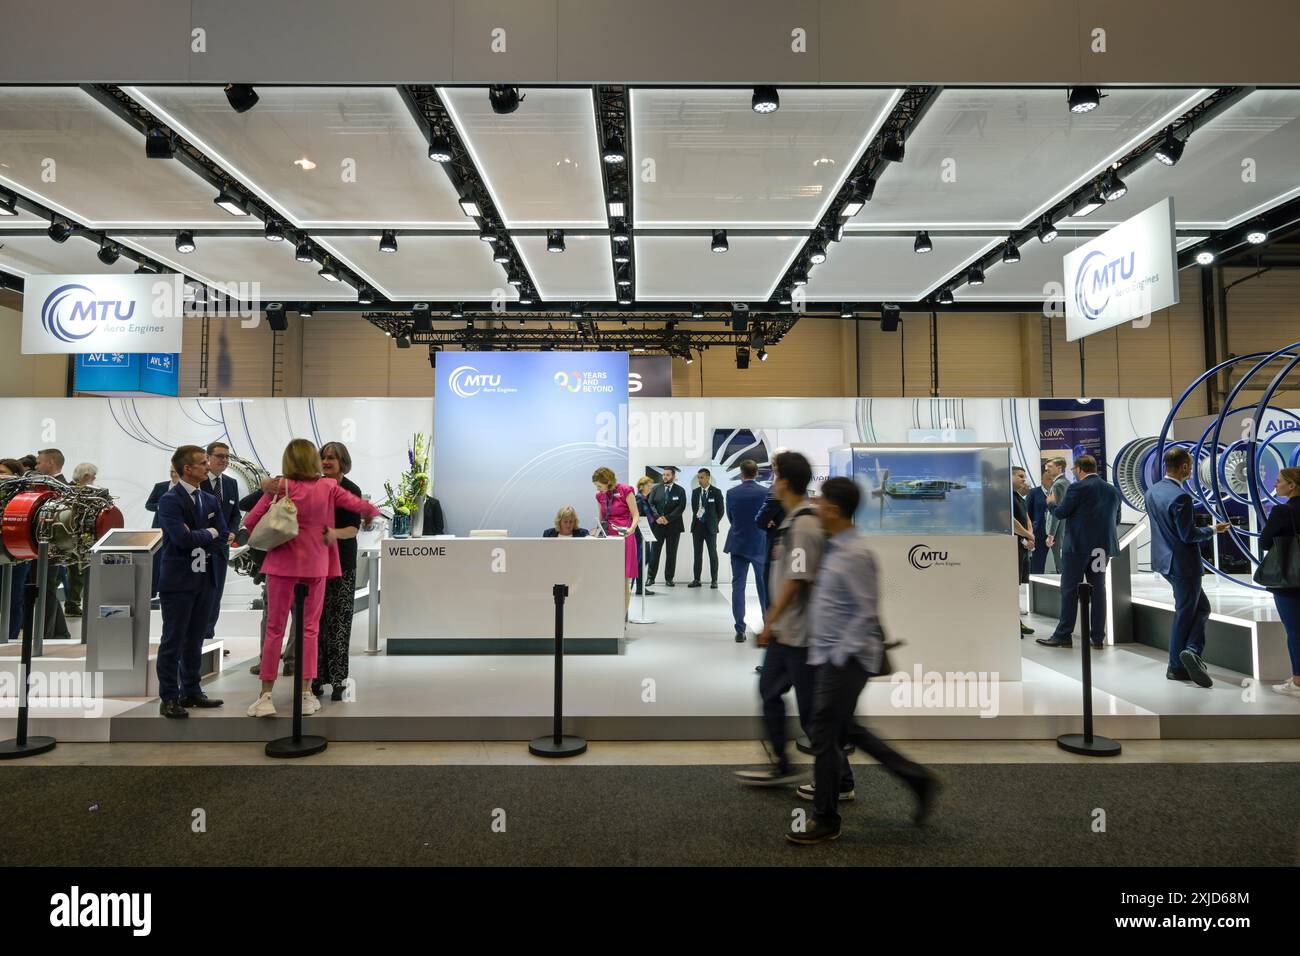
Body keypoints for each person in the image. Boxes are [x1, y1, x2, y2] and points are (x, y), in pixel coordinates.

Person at [787, 476, 939, 845]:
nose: (815, 507)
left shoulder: (855, 554)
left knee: (824, 733)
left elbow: (864, 613)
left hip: (846, 660)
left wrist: (836, 658)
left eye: (820, 503)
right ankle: (918, 779)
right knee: (845, 730)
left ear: (834, 510)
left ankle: (825, 819)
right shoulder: (836, 548)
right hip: (831, 657)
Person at [242, 439, 380, 718]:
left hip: (281, 566)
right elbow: (362, 507)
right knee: (310, 631)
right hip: (316, 568)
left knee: (274, 630)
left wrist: (270, 492)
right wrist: (369, 514)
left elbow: (250, 521)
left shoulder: (281, 488)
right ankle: (306, 694)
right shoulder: (329, 487)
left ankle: (265, 696)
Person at [736, 452, 824, 787]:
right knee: (770, 693)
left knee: (811, 713)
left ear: (784, 482)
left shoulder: (803, 524)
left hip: (801, 636)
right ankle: (783, 766)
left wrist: (769, 622)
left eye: (774, 475)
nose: (771, 481)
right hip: (785, 635)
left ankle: (840, 781)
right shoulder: (789, 520)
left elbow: (796, 580)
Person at [154, 444, 229, 718]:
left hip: (205, 579)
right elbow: (181, 539)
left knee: (196, 637)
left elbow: (222, 535)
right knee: (173, 638)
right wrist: (207, 533)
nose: (208, 467)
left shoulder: (210, 500)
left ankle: (192, 690)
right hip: (178, 581)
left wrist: (205, 533)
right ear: (188, 468)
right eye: (202, 463)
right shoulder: (170, 500)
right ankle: (169, 697)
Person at [1146, 447, 1230, 686]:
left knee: (1201, 608)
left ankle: (1191, 650)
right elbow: (1188, 535)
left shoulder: (1154, 491)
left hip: (1165, 561)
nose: (1192, 470)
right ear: (1183, 466)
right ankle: (1176, 665)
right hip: (1183, 564)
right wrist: (1213, 529)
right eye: (1190, 466)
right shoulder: (1181, 497)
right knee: (1186, 612)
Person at [1036, 455, 1122, 649]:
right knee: (1098, 590)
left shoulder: (1077, 488)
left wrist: (1050, 503)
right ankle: (1098, 637)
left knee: (1069, 589)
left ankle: (1063, 635)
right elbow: (1116, 519)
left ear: (1081, 469)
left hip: (1077, 549)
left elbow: (1061, 513)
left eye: (1075, 470)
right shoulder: (1112, 490)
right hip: (1102, 548)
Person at [313, 441, 370, 702]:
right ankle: (314, 678)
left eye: (331, 458)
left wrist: (332, 534)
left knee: (339, 623)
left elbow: (353, 529)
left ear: (342, 462)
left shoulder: (351, 489)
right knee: (315, 624)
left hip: (342, 565)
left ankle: (338, 680)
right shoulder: (313, 486)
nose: (326, 462)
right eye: (323, 457)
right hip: (314, 564)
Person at [1260, 467, 1300, 698]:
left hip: (1290, 579)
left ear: (1292, 486)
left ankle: (1297, 681)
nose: (1276, 485)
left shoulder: (1282, 511)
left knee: (1295, 630)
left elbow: (1266, 541)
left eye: (1279, 481)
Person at [724, 459, 770, 642]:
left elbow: (731, 517)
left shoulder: (731, 493)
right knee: (763, 587)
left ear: (741, 473)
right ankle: (767, 624)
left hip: (739, 544)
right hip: (760, 544)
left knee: (738, 587)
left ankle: (740, 629)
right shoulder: (766, 492)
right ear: (756, 473)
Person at [28, 449, 71, 641]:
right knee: (47, 587)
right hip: (39, 545)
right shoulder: (47, 485)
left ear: (51, 463)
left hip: (51, 546)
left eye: (38, 463)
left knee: (47, 588)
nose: (35, 467)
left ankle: (44, 634)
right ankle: (60, 631)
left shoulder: (61, 488)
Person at [201, 442, 241, 641]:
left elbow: (235, 514)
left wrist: (232, 531)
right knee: (200, 594)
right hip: (200, 549)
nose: (224, 460)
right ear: (208, 457)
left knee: (216, 594)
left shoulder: (231, 484)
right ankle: (195, 639)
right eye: (220, 456)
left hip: (221, 549)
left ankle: (209, 637)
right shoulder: (198, 483)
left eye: (227, 457)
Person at [592, 467, 641, 610]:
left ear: (608, 481)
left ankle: (622, 615)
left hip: (624, 537)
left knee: (623, 579)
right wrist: (597, 531)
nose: (598, 489)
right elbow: (601, 518)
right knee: (607, 576)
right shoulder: (599, 496)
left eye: (600, 486)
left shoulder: (626, 490)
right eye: (596, 486)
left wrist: (631, 529)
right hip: (608, 538)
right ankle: (607, 613)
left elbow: (636, 514)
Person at [62, 462, 99, 618]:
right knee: (69, 573)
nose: (95, 478)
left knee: (78, 573)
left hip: (80, 539)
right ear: (86, 476)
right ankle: (72, 603)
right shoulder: (67, 491)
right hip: (66, 538)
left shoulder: (86, 492)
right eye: (93, 475)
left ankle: (72, 603)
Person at [0, 458, 31, 641]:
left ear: (15, 475)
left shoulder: (23, 497)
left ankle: (9, 638)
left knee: (13, 598)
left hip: (16, 554)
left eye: (3, 472)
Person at [145, 467, 180, 608]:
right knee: (157, 561)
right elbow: (149, 505)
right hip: (159, 529)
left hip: (177, 530)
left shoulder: (185, 489)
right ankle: (153, 593)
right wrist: (161, 506)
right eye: (171, 471)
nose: (173, 474)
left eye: (175, 472)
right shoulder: (160, 487)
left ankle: (172, 591)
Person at [646, 466, 685, 587]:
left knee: (671, 553)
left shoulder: (680, 490)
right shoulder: (655, 489)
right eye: (664, 475)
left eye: (667, 475)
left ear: (673, 476)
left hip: (674, 527)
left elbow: (681, 507)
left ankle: (669, 578)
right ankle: (650, 578)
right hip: (658, 526)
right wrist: (657, 517)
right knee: (654, 553)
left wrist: (668, 518)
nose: (665, 477)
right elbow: (650, 504)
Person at [689, 467, 725, 588]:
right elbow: (695, 510)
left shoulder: (716, 492)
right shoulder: (695, 492)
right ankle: (696, 580)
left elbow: (721, 511)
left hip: (710, 529)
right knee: (697, 555)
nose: (699, 480)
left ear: (708, 477)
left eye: (702, 477)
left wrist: (714, 522)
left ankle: (714, 580)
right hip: (697, 527)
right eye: (698, 477)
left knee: (712, 554)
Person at [1012, 466, 1035, 636]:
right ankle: (1013, 623)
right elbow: (1011, 521)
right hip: (1011, 546)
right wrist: (1028, 536)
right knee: (1010, 585)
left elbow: (1026, 518)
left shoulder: (1020, 498)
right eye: (1020, 476)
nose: (1023, 479)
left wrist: (1030, 537)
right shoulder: (1005, 497)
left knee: (1016, 585)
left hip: (1021, 545)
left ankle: (1016, 622)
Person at [1043, 456, 1071, 573]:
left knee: (1060, 565)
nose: (1046, 469)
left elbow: (1057, 512)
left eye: (1049, 466)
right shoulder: (1064, 482)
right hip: (1064, 530)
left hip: (1059, 532)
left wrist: (1051, 534)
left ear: (1059, 468)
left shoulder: (1058, 485)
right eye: (1046, 467)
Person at [1026, 467, 1052, 574]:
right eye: (1048, 478)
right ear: (1041, 479)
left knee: (1061, 563)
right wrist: (1029, 534)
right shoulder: (1033, 493)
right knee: (1037, 564)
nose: (1051, 480)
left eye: (1052, 478)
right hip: (1039, 534)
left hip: (1055, 534)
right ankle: (1034, 586)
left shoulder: (1058, 493)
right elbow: (1027, 514)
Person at [633, 476, 656, 596]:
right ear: (641, 486)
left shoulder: (644, 499)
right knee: (642, 561)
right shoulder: (638, 498)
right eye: (648, 485)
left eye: (651, 486)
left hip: (645, 535)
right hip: (639, 535)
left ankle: (640, 587)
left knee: (645, 560)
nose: (650, 488)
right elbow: (637, 517)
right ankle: (639, 588)